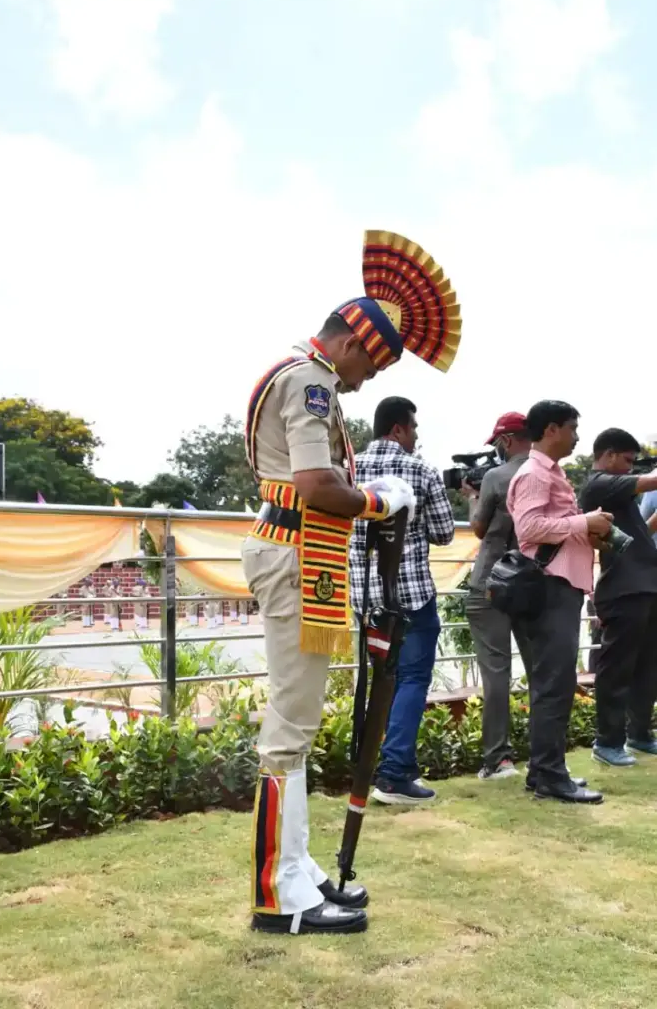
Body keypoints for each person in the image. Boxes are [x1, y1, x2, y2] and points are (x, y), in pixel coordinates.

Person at [240, 229, 461, 936]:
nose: (370, 381)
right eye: (376, 363)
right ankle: (279, 893)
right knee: (290, 726)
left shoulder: (308, 378)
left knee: (298, 726)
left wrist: (362, 492)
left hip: (308, 553)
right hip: (298, 551)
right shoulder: (310, 381)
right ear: (354, 342)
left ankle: (298, 871)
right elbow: (317, 485)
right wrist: (379, 501)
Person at [507, 400, 613, 805]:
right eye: (572, 428)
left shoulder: (550, 473)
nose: (577, 436)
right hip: (550, 588)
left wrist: (589, 530)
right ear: (551, 430)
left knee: (554, 683)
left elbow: (550, 527)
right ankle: (550, 774)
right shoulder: (534, 474)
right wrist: (583, 523)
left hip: (559, 587)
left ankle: (544, 770)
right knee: (554, 685)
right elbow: (529, 529)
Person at [350, 396, 454, 805]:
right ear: (398, 428)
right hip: (411, 596)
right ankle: (394, 774)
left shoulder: (349, 468)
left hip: (364, 597)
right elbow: (445, 533)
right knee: (411, 678)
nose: (415, 436)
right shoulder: (421, 469)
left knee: (378, 680)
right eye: (412, 429)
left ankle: (366, 768)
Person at [580, 429, 657, 767]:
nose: (630, 468)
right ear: (608, 455)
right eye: (627, 461)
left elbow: (635, 534)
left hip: (645, 586)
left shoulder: (616, 494)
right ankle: (607, 742)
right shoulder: (599, 484)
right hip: (623, 591)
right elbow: (649, 482)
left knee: (647, 668)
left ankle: (639, 734)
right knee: (617, 670)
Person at [463, 412, 533, 780]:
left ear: (506, 441)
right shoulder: (547, 474)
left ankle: (498, 759)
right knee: (540, 670)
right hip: (532, 583)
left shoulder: (496, 476)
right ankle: (546, 753)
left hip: (491, 581)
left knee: (495, 673)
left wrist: (473, 497)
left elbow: (478, 528)